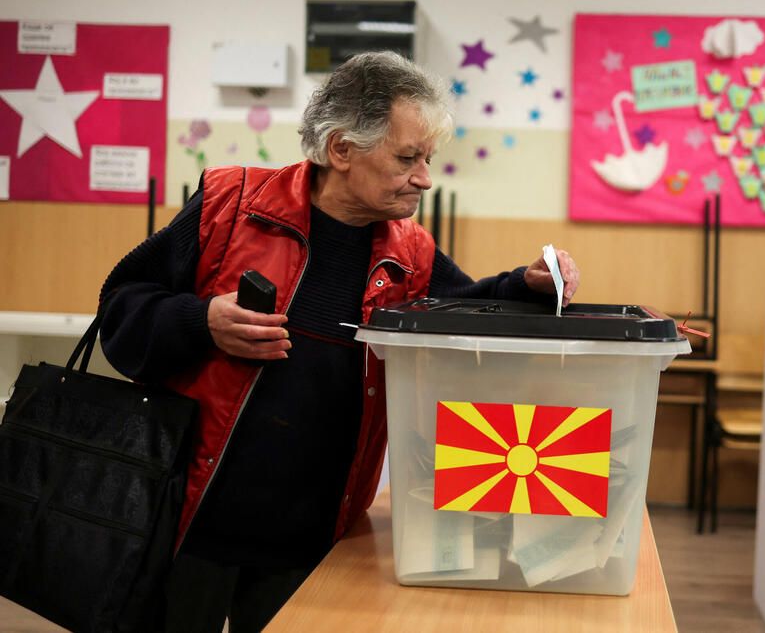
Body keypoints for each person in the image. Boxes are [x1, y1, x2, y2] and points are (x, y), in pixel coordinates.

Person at [97, 50, 580, 633]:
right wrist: (202, 321)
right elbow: (119, 310)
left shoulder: (412, 253)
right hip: (185, 525)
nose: (425, 176)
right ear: (342, 149)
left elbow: (465, 309)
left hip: (313, 542)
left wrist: (525, 286)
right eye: (408, 157)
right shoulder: (230, 205)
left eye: (428, 158)